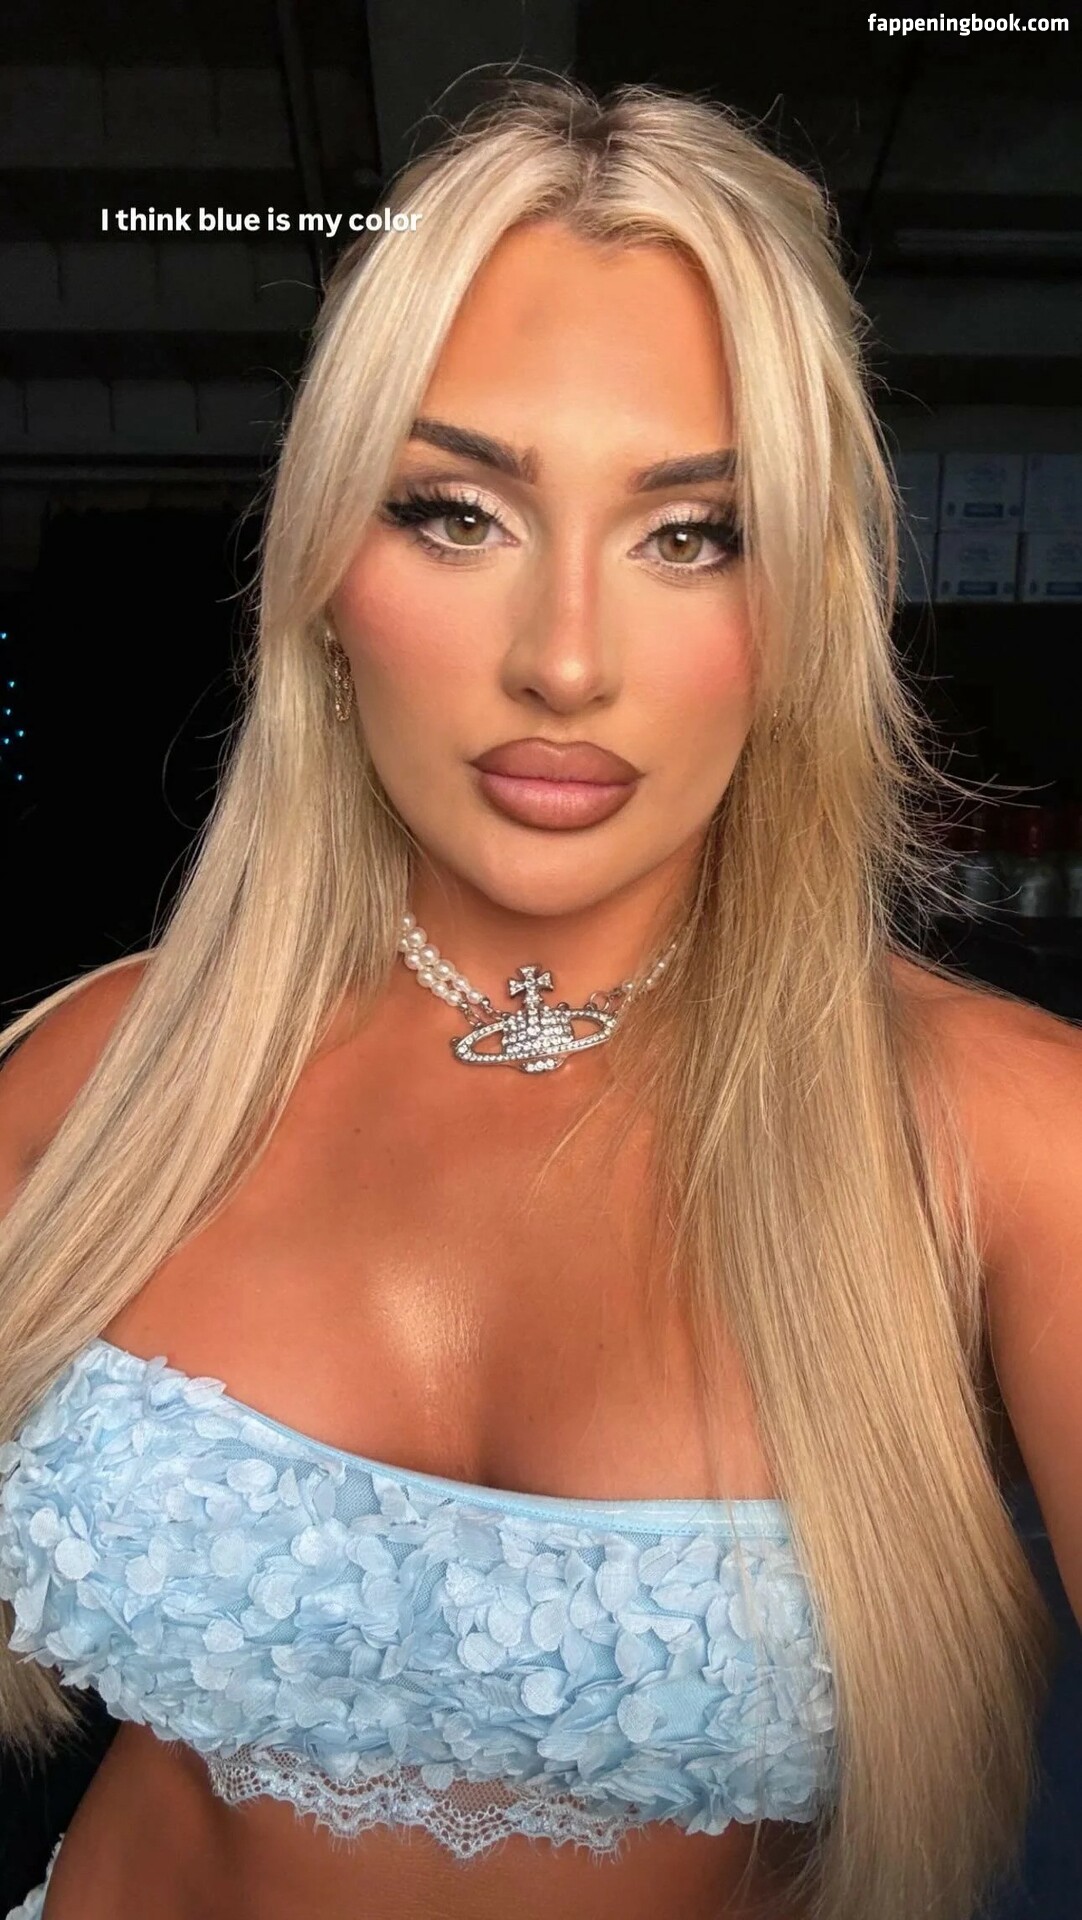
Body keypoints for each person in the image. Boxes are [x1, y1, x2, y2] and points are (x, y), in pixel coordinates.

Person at [0, 73, 1072, 1920]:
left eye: (691, 533)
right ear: (323, 575)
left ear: (807, 602)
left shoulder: (1010, 1143)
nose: (564, 660)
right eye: (455, 513)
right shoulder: (104, 1075)